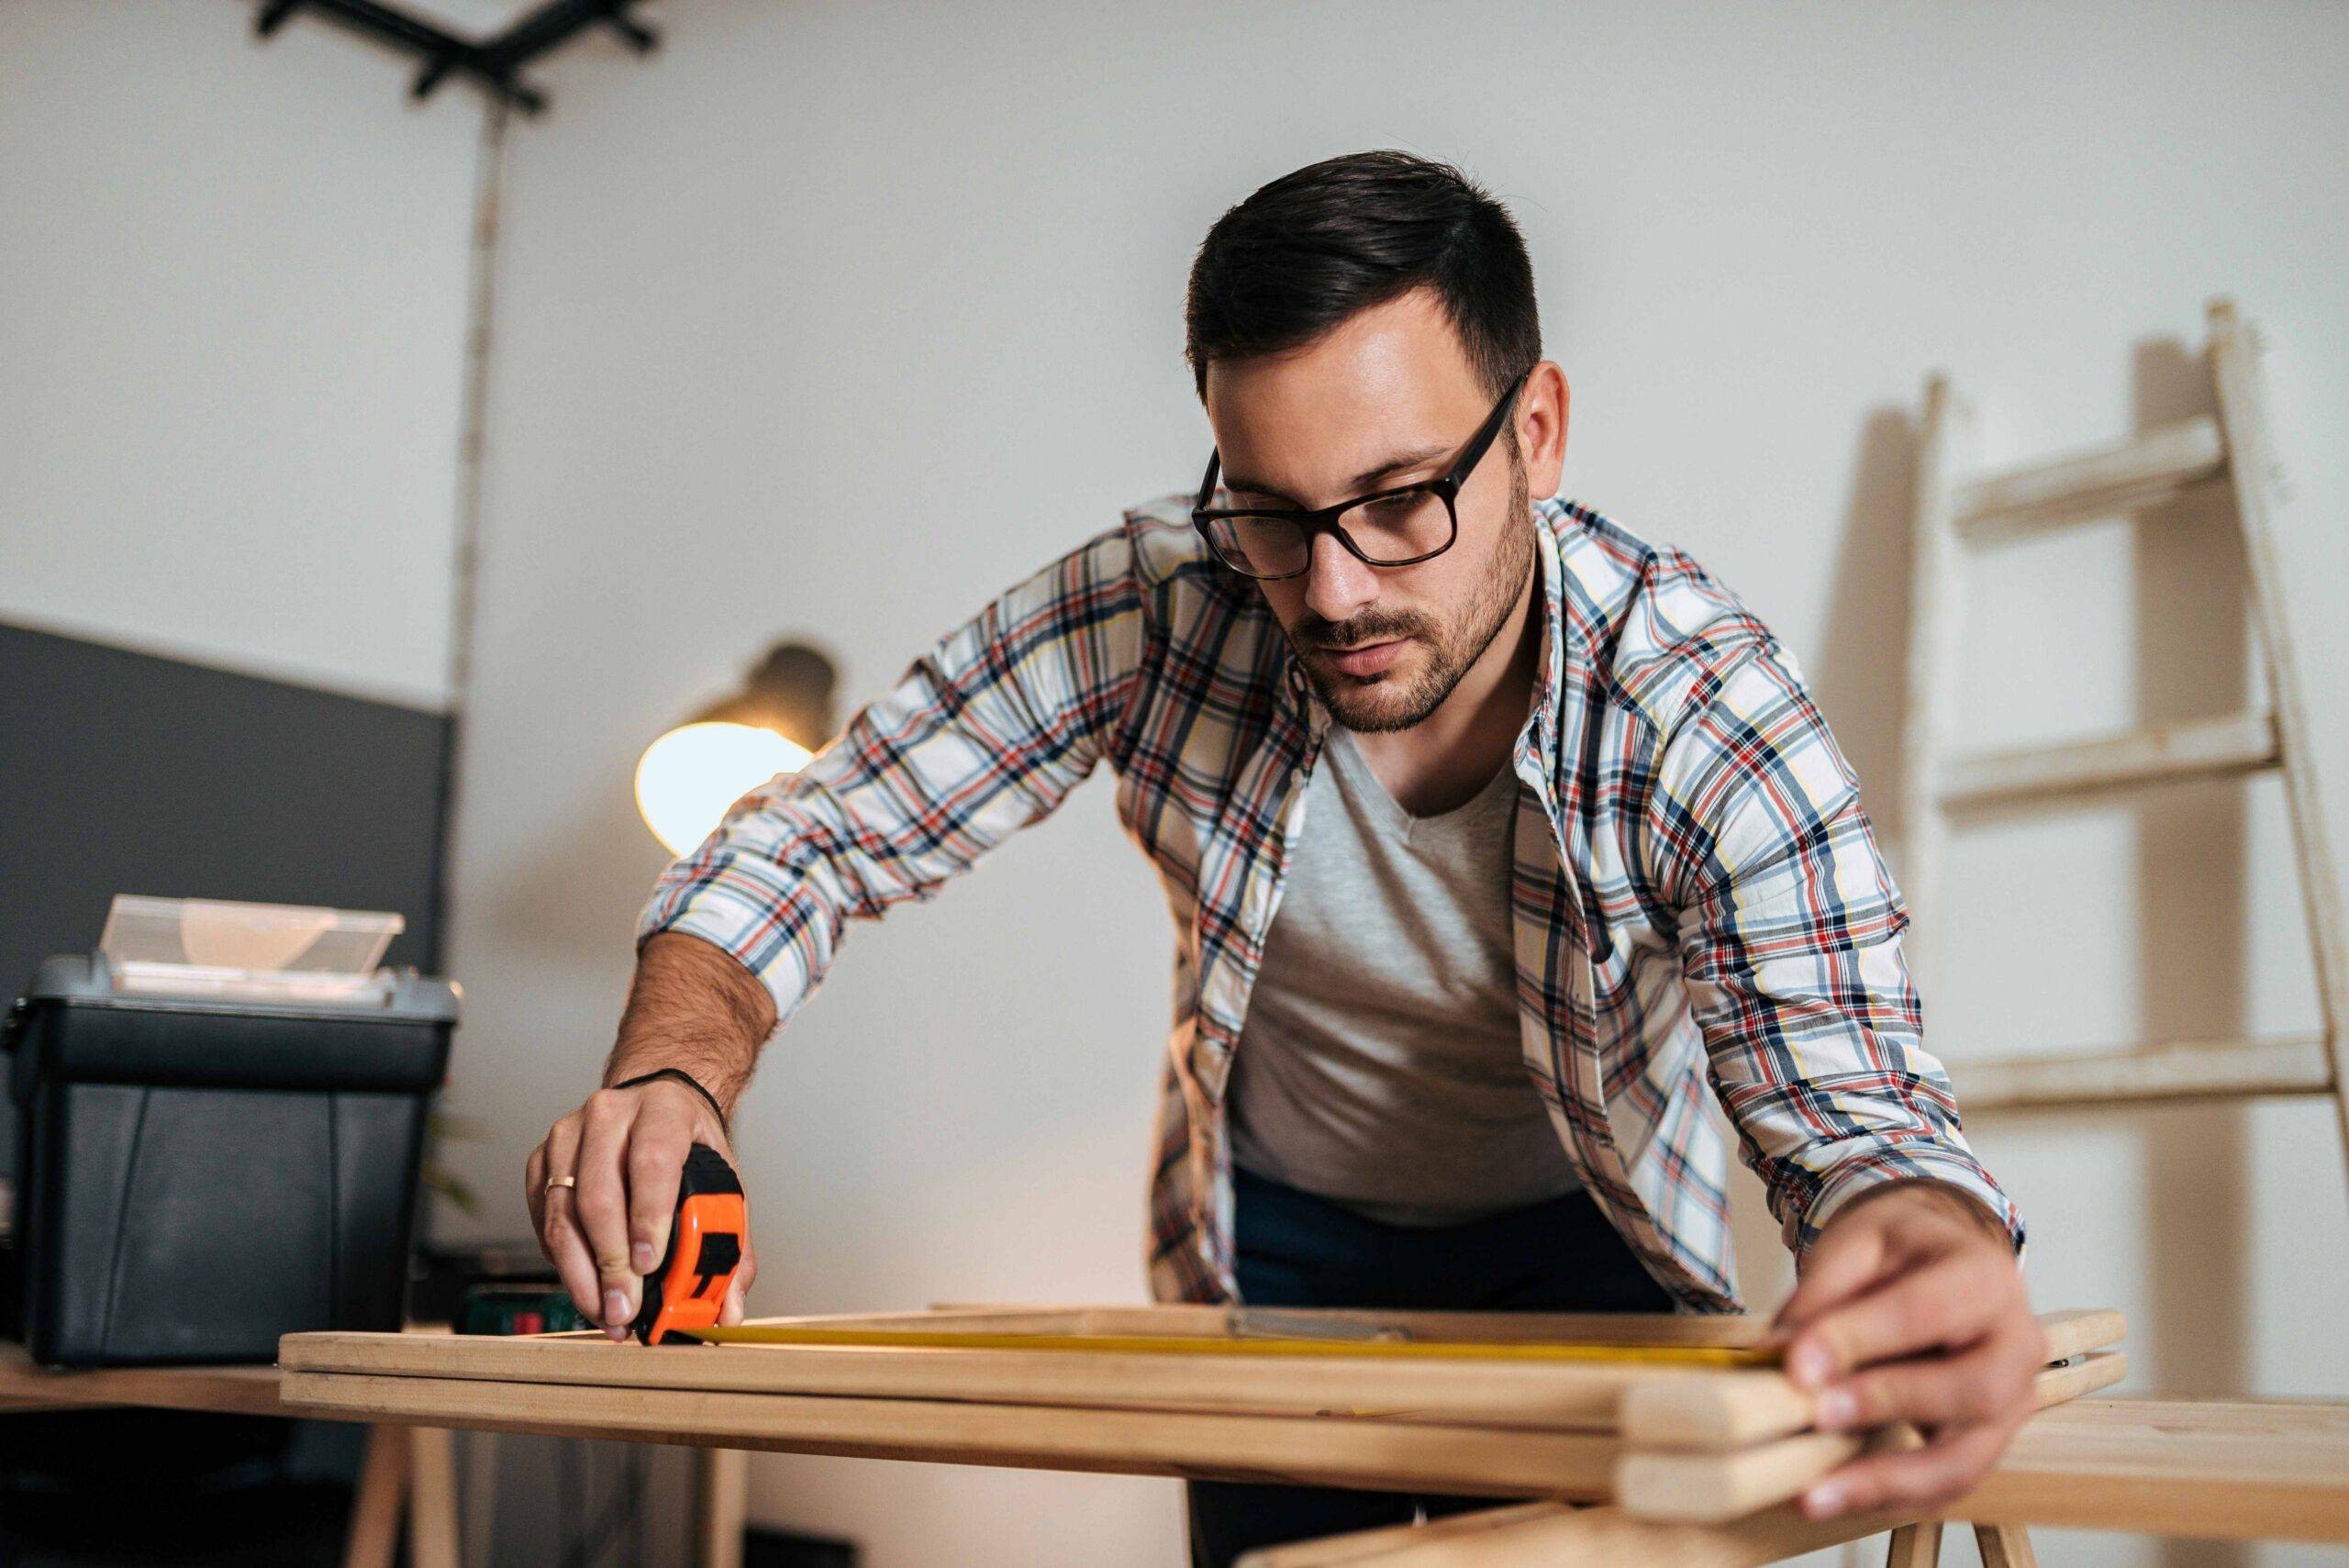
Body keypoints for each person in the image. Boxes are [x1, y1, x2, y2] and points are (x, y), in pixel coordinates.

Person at [526, 149, 2047, 1565]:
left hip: (1592, 1246)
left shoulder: (1703, 706)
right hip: (1277, 1248)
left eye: (1400, 503)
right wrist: (676, 1071)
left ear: (1535, 434)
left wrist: (1921, 1231)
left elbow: (1849, 1097)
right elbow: (824, 827)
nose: (1331, 591)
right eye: (1269, 510)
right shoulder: (1160, 598)